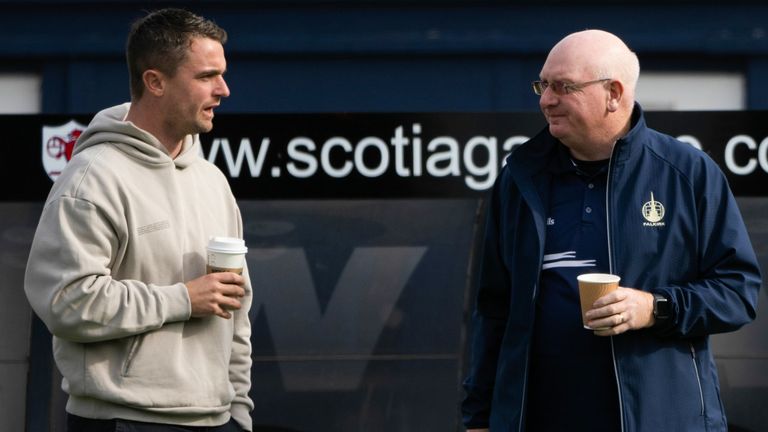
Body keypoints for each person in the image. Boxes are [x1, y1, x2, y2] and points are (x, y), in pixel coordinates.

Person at [461, 29, 761, 432]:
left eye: (563, 86)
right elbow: (493, 310)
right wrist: (479, 420)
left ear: (614, 94)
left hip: (662, 420)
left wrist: (653, 308)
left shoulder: (687, 174)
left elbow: (738, 291)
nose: (546, 99)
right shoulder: (520, 177)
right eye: (543, 84)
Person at [24, 8, 253, 432]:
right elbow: (66, 301)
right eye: (206, 76)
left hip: (218, 419)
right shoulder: (93, 178)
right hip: (123, 419)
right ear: (155, 82)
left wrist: (238, 409)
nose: (223, 89)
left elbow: (235, 311)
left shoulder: (212, 180)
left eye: (221, 74)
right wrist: (182, 299)